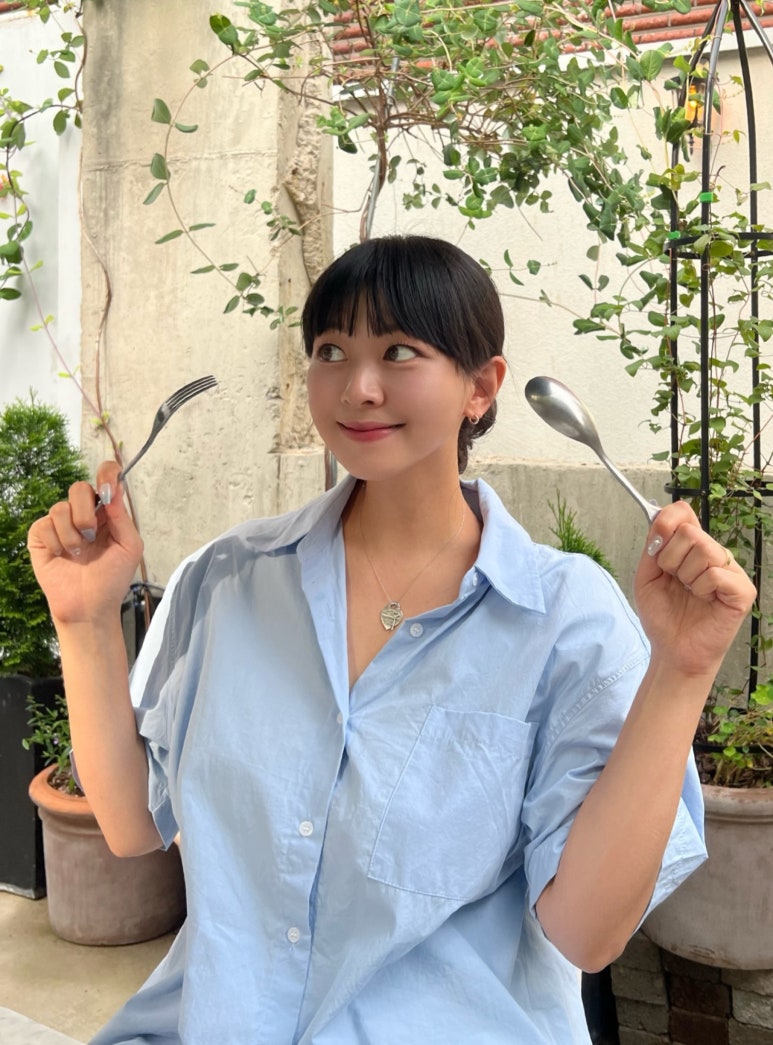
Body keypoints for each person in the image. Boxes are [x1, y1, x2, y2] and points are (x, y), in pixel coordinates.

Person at [28, 235, 755, 1044]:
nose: (358, 387)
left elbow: (585, 932)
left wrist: (681, 671)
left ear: (481, 386)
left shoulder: (563, 617)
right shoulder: (230, 578)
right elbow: (133, 825)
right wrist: (83, 620)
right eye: (330, 351)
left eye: (399, 351)